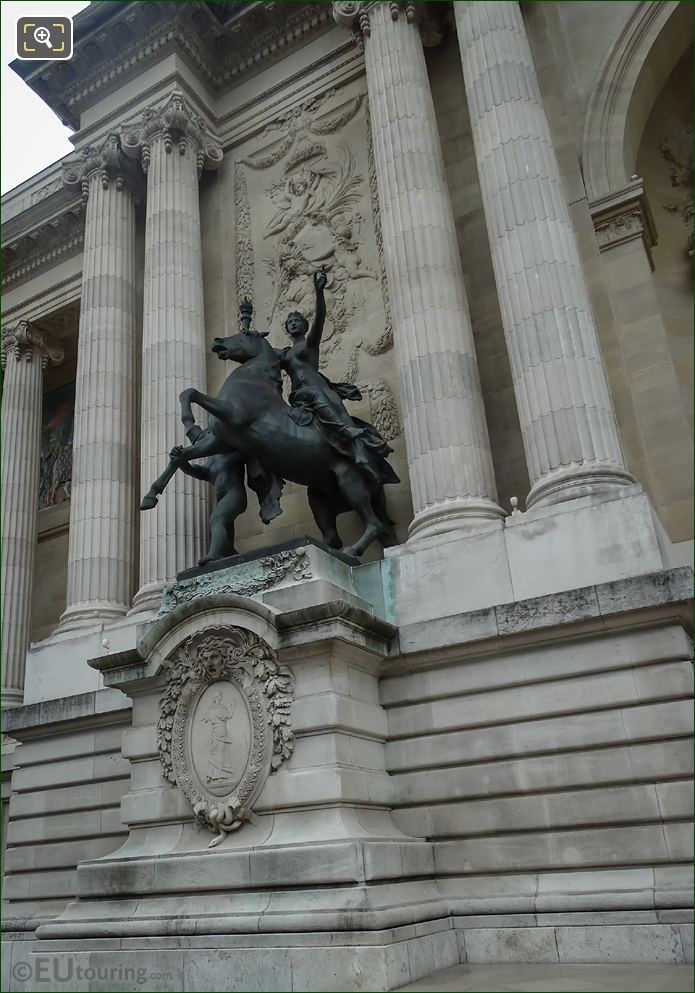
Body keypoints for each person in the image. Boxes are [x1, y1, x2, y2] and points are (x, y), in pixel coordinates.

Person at [277, 270, 398, 485]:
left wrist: (319, 292)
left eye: (297, 320)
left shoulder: (309, 344)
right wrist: (247, 323)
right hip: (297, 397)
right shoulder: (285, 354)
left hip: (317, 390)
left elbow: (320, 319)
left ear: (304, 326)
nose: (293, 323)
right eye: (290, 322)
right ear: (286, 329)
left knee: (328, 408)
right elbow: (259, 357)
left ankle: (358, 447)